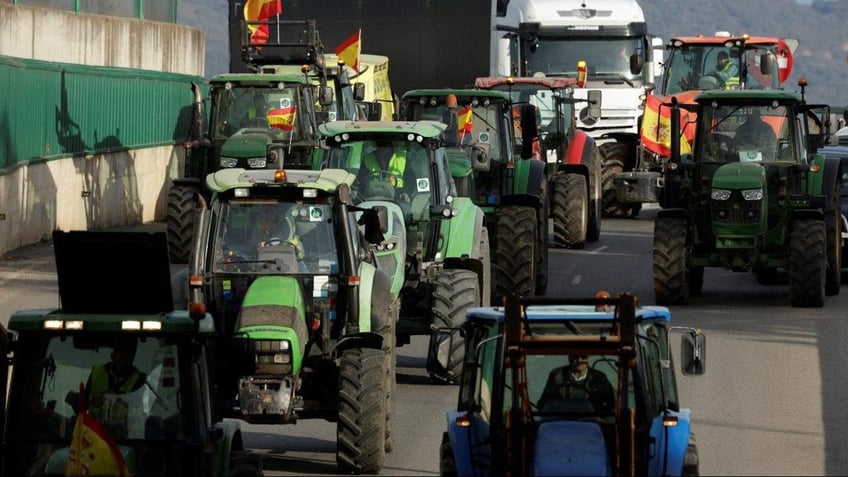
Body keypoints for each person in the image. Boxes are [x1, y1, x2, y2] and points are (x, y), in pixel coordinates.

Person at [537, 354, 615, 413]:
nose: (579, 360)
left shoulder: (599, 377)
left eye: (583, 356)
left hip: (591, 423)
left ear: (589, 358)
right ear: (569, 357)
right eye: (575, 357)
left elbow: (612, 405)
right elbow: (544, 403)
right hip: (561, 422)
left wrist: (599, 419)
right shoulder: (557, 376)